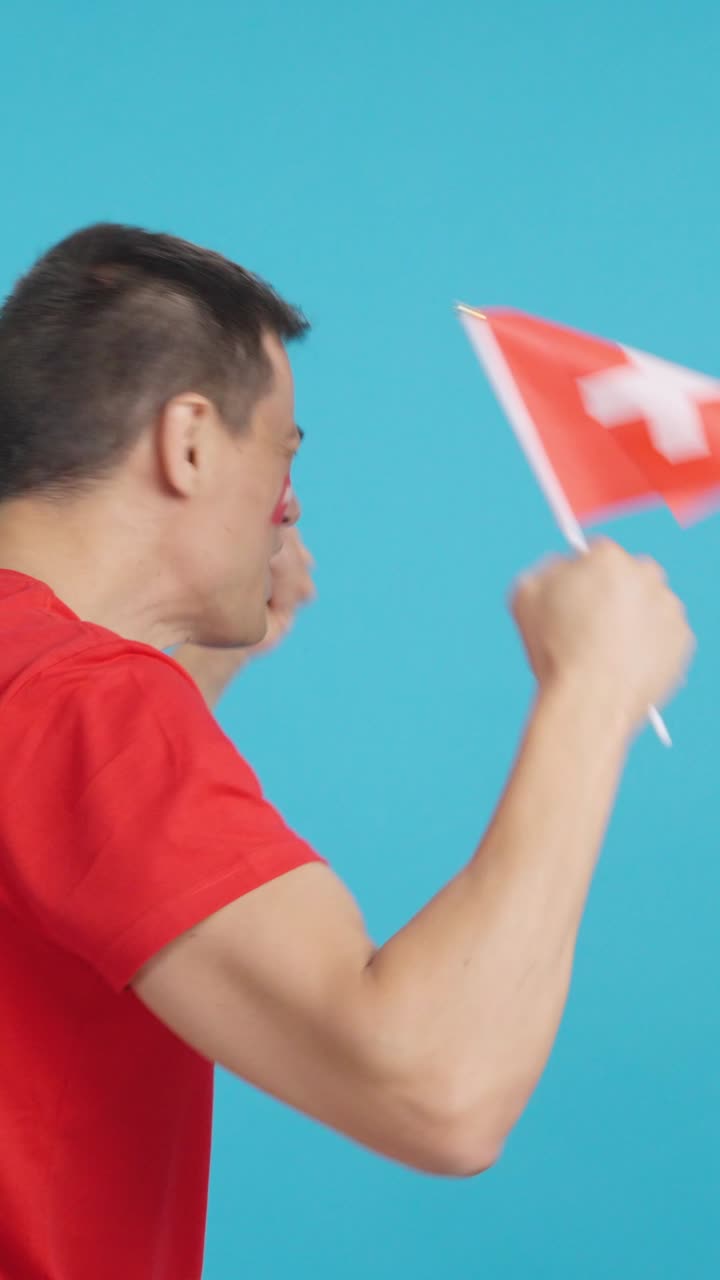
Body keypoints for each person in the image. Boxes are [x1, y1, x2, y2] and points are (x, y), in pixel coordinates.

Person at [0, 223, 694, 1280]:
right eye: (283, 457)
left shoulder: (47, 696)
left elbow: (56, 849)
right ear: (188, 444)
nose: (290, 507)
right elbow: (438, 1087)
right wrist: (590, 691)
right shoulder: (84, 703)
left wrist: (204, 658)